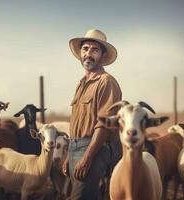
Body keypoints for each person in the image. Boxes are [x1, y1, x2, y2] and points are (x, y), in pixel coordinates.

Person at [63, 29, 122, 200]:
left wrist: (87, 158)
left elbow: (103, 124)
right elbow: (76, 123)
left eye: (94, 50)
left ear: (103, 56)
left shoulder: (106, 82)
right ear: (80, 53)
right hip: (75, 148)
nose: (88, 54)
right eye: (85, 49)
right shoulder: (81, 84)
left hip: (92, 149)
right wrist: (69, 154)